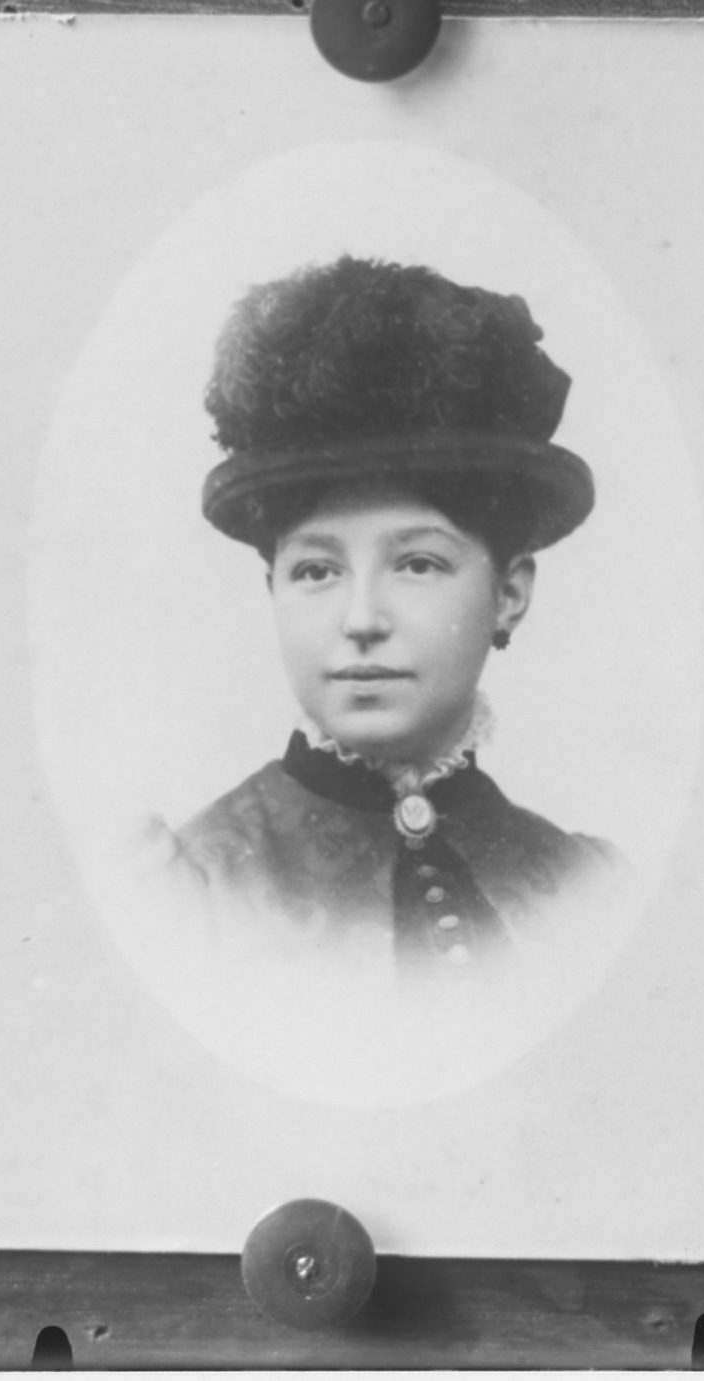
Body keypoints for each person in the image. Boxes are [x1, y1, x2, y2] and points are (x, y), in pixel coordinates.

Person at [166, 255, 628, 981]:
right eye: (316, 571)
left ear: (509, 593)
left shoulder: (589, 889)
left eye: (417, 563)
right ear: (272, 589)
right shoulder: (188, 890)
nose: (361, 619)